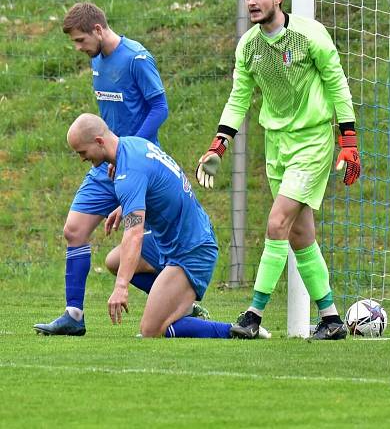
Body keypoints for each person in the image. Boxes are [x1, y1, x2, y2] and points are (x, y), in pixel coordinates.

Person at [195, 0, 360, 340]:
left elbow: (337, 84)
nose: (252, 2)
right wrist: (218, 144)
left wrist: (348, 141)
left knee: (276, 224)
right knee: (300, 234)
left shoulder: (309, 35)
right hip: (277, 145)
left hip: (313, 141)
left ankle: (253, 314)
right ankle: (332, 319)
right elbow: (239, 98)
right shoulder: (249, 46)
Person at [34, 3, 171, 336]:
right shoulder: (97, 60)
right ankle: (73, 315)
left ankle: (176, 300)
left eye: (81, 40)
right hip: (103, 162)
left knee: (150, 249)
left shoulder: (137, 59)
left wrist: (128, 151)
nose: (79, 49)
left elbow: (160, 108)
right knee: (74, 230)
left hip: (137, 164)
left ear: (97, 30)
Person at [65, 113, 265, 339]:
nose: (82, 158)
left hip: (192, 251)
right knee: (115, 260)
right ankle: (180, 305)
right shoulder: (133, 146)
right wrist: (125, 207)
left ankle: (234, 331)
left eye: (83, 152)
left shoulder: (130, 170)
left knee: (150, 330)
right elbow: (159, 184)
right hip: (174, 241)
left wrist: (121, 286)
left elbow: (134, 234)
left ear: (99, 142)